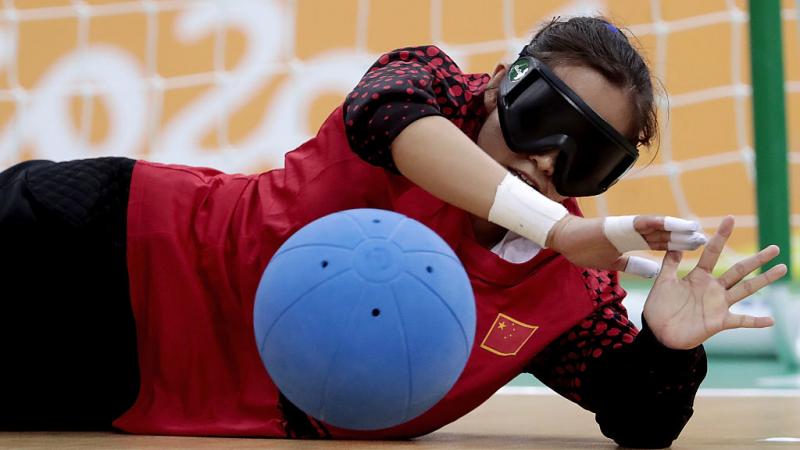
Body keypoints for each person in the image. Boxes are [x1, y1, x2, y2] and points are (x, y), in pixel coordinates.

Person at [0, 16, 785, 448]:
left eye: (590, 158)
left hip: (126, 387)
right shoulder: (428, 88)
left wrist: (668, 348)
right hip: (102, 248)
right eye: (544, 119)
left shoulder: (570, 288)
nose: (549, 159)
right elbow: (390, 121)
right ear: (499, 90)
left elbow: (638, 419)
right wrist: (555, 229)